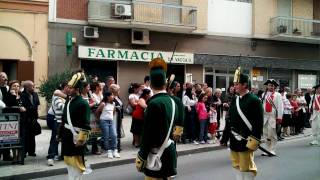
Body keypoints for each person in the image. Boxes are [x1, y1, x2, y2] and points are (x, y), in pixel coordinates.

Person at [135, 58, 183, 180]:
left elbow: (148, 135)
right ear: (165, 84)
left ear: (150, 84)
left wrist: (142, 156)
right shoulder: (172, 101)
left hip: (156, 154)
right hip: (169, 151)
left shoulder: (154, 104)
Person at [220, 67, 263, 180]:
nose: (234, 86)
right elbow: (229, 120)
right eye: (234, 84)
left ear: (244, 85)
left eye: (237, 84)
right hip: (234, 139)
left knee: (247, 166)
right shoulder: (235, 99)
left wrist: (254, 140)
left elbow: (258, 123)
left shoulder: (254, 100)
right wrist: (224, 138)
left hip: (246, 139)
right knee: (236, 164)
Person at [59, 72, 91, 180]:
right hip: (67, 137)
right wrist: (60, 134)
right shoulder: (69, 100)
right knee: (68, 162)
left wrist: (81, 140)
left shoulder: (83, 103)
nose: (68, 89)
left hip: (76, 137)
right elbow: (64, 119)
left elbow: (86, 124)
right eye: (67, 87)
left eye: (71, 88)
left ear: (77, 89)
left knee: (76, 164)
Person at [47, 81, 69, 166]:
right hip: (57, 120)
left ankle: (62, 156)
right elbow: (60, 106)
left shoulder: (67, 96)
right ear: (64, 87)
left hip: (64, 121)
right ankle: (50, 157)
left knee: (64, 139)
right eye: (68, 87)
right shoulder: (57, 95)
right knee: (55, 139)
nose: (70, 89)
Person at [261, 79, 283, 156]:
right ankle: (266, 149)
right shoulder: (264, 94)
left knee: (272, 133)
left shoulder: (278, 95)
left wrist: (279, 118)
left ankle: (272, 149)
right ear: (267, 86)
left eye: (272, 85)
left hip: (273, 116)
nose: (271, 87)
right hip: (265, 116)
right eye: (269, 85)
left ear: (275, 87)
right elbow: (262, 105)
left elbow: (280, 107)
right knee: (265, 133)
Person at [95, 92, 120, 159]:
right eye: (111, 95)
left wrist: (110, 117)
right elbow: (97, 112)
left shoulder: (113, 104)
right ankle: (109, 151)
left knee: (114, 135)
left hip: (111, 121)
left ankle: (115, 150)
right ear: (108, 97)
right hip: (104, 121)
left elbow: (114, 112)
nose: (113, 96)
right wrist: (99, 120)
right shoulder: (103, 104)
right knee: (106, 137)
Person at [20, 80, 40, 157]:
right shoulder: (22, 95)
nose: (34, 87)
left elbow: (37, 105)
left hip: (33, 118)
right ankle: (24, 152)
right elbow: (24, 107)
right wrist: (30, 109)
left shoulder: (35, 94)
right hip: (25, 118)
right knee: (25, 136)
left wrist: (36, 116)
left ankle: (31, 151)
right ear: (27, 87)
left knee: (32, 135)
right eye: (32, 86)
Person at [109, 84, 124, 152]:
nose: (119, 91)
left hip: (119, 117)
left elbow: (121, 106)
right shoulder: (111, 97)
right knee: (114, 131)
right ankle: (114, 147)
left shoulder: (118, 97)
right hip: (114, 117)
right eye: (118, 90)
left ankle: (118, 146)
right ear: (113, 90)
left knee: (118, 131)